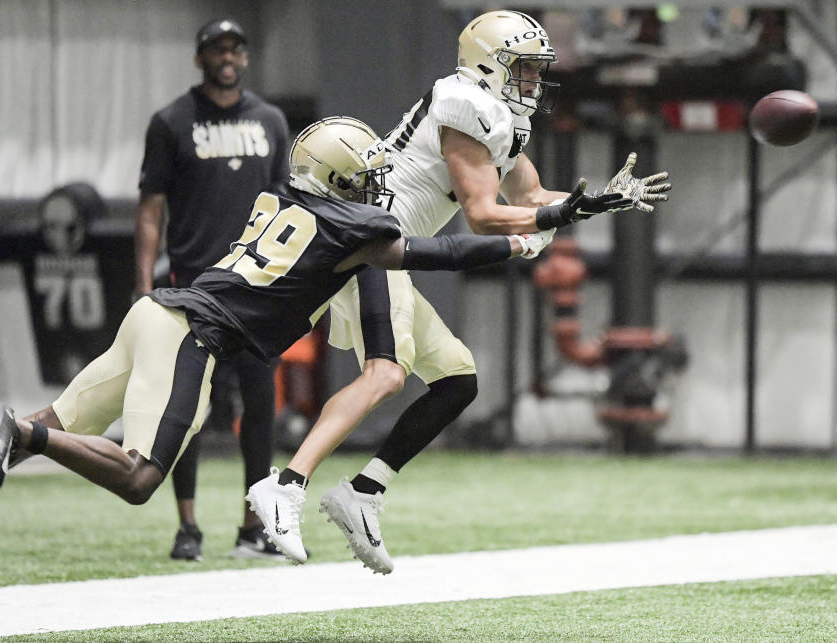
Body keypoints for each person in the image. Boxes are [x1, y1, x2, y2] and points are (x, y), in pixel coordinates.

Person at [0, 115, 618, 577]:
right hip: (190, 336)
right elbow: (445, 255)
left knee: (66, 418)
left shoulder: (280, 198)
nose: (377, 186)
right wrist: (525, 240)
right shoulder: (351, 227)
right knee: (138, 476)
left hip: (153, 312)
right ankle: (27, 435)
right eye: (365, 178)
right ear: (341, 181)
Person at [246, 9, 670, 574]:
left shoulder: (500, 115)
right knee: (386, 374)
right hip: (369, 237)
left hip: (388, 248)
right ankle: (286, 486)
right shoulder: (469, 107)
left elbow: (534, 193)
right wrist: (556, 216)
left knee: (457, 379)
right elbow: (483, 215)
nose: (534, 81)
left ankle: (364, 493)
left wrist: (595, 201)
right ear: (489, 66)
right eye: (524, 68)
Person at [135, 18, 290, 561]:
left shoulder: (270, 120)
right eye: (216, 49)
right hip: (193, 287)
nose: (227, 56)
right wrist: (144, 285)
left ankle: (254, 527)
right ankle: (188, 527)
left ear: (244, 58)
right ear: (200, 58)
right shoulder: (172, 122)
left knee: (260, 409)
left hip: (256, 287)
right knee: (190, 412)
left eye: (235, 48)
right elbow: (151, 210)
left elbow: (285, 207)